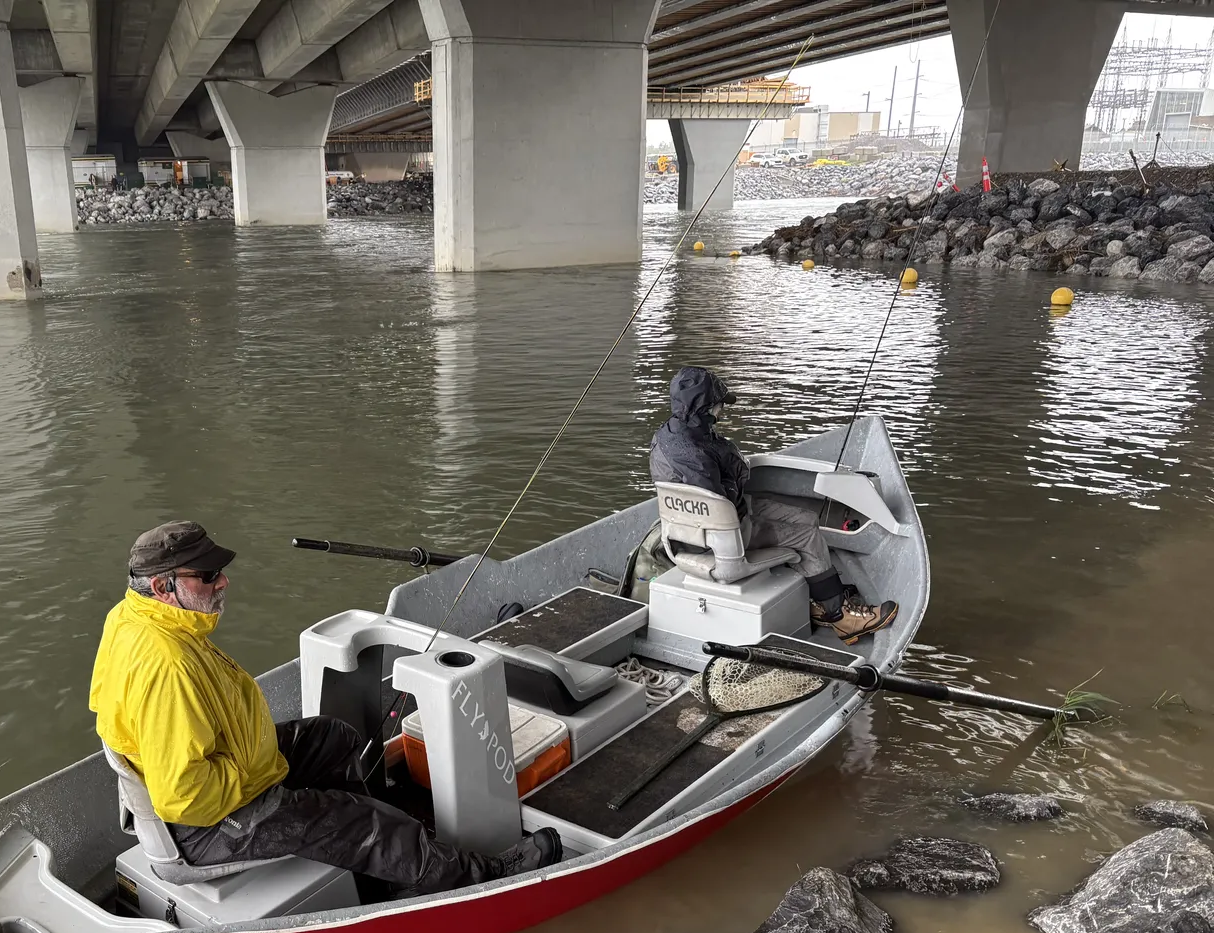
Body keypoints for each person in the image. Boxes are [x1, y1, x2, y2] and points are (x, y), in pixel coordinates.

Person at [90, 520, 562, 896]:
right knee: (358, 823)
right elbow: (185, 797)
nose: (223, 582)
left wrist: (264, 765)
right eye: (208, 576)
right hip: (203, 826)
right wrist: (267, 781)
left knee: (333, 738)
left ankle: (379, 866)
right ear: (160, 585)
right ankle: (480, 876)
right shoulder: (166, 667)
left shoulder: (135, 616)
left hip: (220, 775)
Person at [649, 366, 899, 644]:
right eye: (718, 405)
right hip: (723, 539)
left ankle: (820, 592)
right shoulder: (699, 451)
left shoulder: (664, 436)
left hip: (684, 535)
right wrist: (734, 466)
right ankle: (839, 616)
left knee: (806, 517)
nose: (721, 411)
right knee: (806, 534)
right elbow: (726, 495)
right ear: (707, 406)